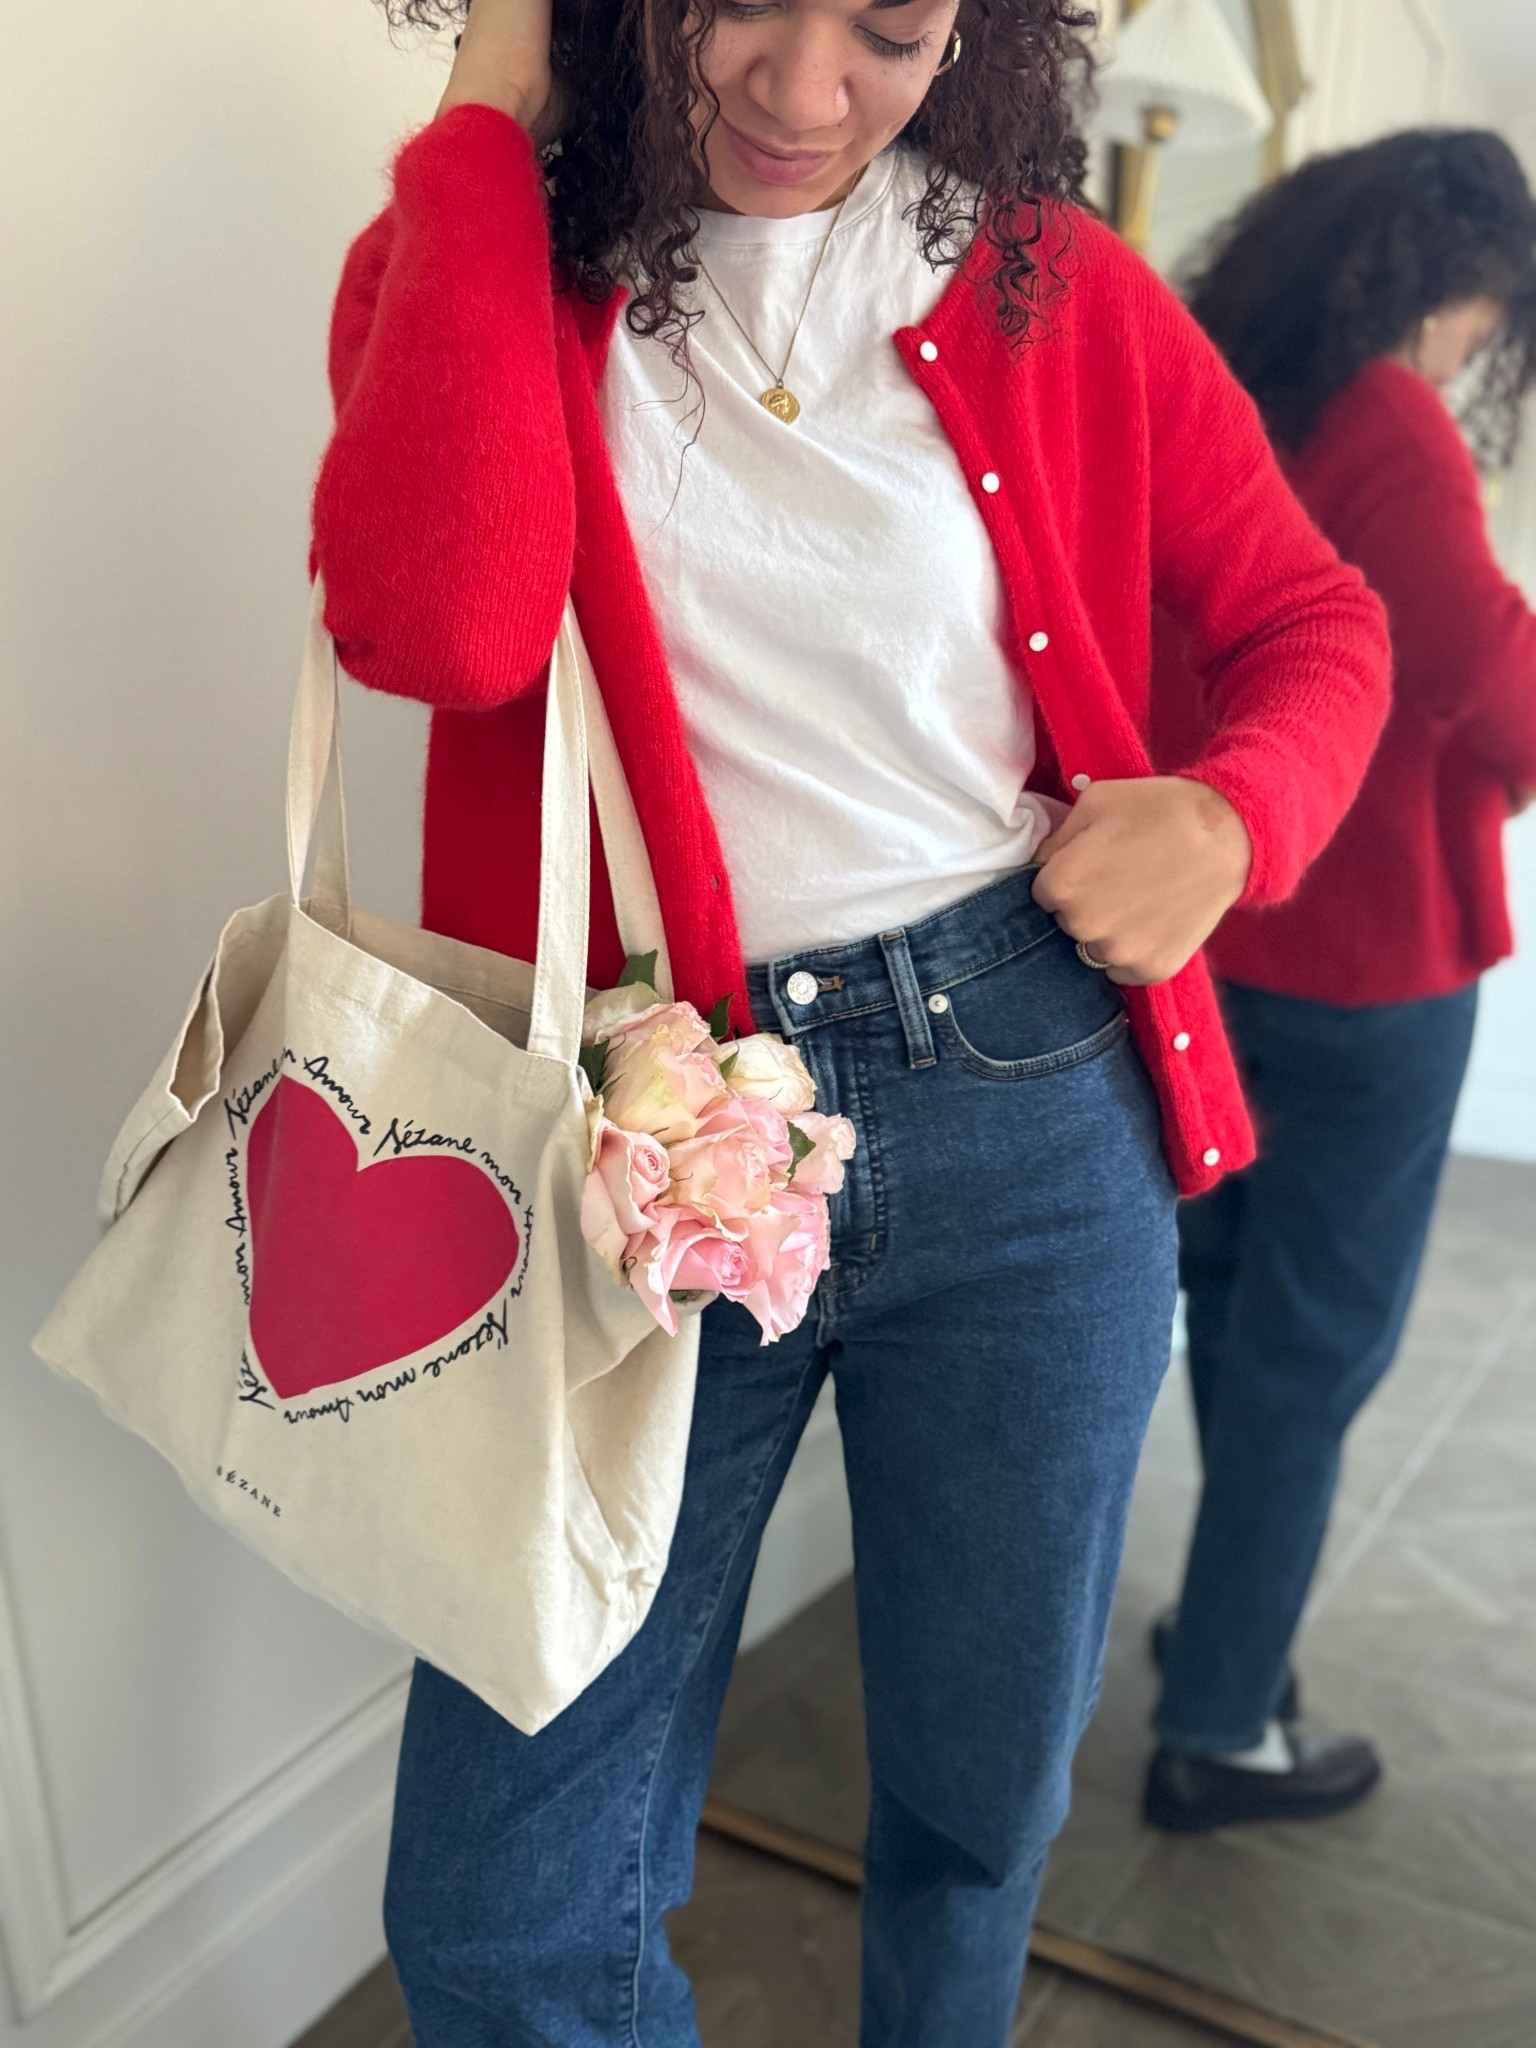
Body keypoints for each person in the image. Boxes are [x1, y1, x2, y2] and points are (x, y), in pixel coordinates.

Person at [310, 0, 1389, 2037]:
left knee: (978, 1813)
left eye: (889, 29)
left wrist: (1231, 818)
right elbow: (436, 627)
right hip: (650, 1141)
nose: (804, 96)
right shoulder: (483, 254)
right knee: (502, 1909)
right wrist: (488, 111)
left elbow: (1313, 620)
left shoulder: (1049, 282)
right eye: (739, 3)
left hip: (1030, 1104)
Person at [1147, 128, 1536, 1836]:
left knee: (1241, 1310)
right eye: (1489, 312)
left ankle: (1226, 1635)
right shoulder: (1390, 418)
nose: (1480, 344)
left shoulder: (1232, 388)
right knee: (1310, 1350)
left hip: (1216, 936)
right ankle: (1223, 1725)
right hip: (1368, 965)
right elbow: (1485, 668)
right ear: (1450, 288)